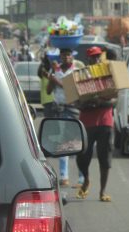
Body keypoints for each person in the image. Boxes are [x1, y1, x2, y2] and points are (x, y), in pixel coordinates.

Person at [75, 46, 115, 202]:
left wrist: (99, 102)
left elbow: (115, 99)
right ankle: (85, 179)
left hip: (105, 122)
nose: (96, 59)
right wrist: (88, 103)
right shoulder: (80, 77)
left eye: (98, 56)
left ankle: (102, 191)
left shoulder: (109, 74)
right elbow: (76, 101)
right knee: (82, 156)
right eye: (93, 57)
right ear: (88, 59)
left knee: (105, 157)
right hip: (87, 122)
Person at [46, 47, 81, 187]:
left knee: (77, 143)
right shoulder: (56, 71)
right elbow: (49, 90)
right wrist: (51, 78)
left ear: (72, 57)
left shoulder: (76, 72)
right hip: (59, 109)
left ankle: (81, 178)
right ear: (60, 57)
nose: (66, 58)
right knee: (62, 143)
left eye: (68, 55)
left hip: (73, 109)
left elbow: (72, 89)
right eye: (63, 55)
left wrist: (55, 80)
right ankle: (63, 176)